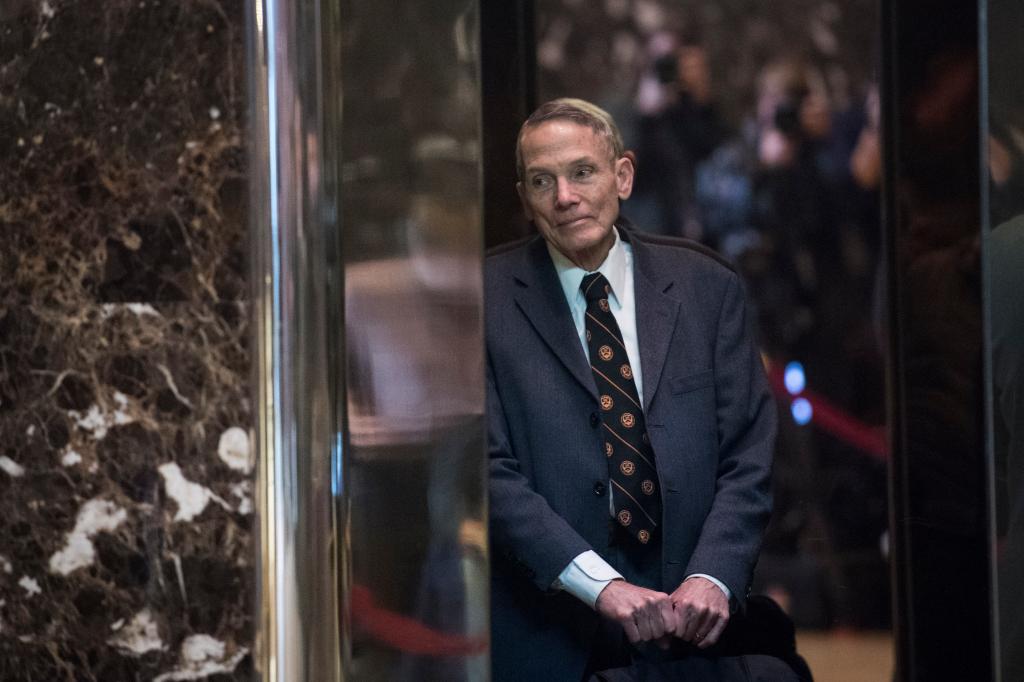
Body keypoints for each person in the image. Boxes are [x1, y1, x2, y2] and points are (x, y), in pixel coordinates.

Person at [486, 98, 781, 681]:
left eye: (582, 172)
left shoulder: (705, 288)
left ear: (622, 176)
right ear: (524, 198)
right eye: (542, 181)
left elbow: (748, 453)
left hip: (695, 634)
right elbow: (485, 470)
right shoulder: (482, 300)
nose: (564, 197)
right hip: (548, 632)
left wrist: (714, 575)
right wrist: (602, 587)